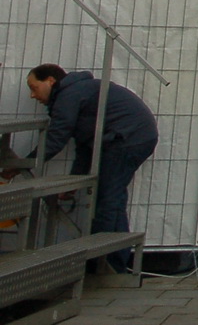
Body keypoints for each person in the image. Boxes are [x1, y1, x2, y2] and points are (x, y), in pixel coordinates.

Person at [21, 64, 158, 273]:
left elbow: (56, 138)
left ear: (50, 80)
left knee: (107, 200)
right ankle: (114, 264)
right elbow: (85, 145)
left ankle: (97, 263)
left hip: (125, 139)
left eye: (34, 87)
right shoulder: (80, 91)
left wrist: (24, 164)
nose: (33, 95)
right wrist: (74, 181)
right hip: (134, 136)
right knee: (113, 199)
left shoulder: (69, 95)